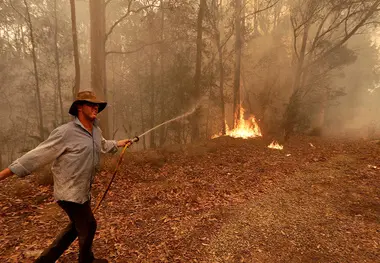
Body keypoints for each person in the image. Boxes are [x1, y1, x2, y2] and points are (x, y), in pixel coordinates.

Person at [0, 91, 131, 263]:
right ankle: (86, 261)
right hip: (68, 193)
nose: (95, 107)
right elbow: (36, 155)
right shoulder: (65, 133)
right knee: (89, 225)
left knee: (76, 228)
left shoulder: (96, 131)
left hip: (83, 191)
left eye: (97, 105)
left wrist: (121, 143)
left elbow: (104, 145)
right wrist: (3, 174)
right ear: (79, 107)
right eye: (91, 104)